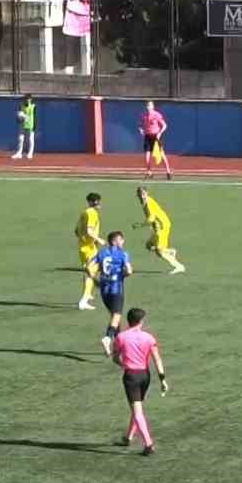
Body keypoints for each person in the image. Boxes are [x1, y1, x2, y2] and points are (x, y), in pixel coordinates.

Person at [110, 307, 168, 455]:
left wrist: (124, 364)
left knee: (137, 410)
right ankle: (128, 438)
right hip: (145, 376)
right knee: (136, 408)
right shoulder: (149, 338)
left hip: (131, 377)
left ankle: (148, 444)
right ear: (141, 321)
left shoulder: (121, 337)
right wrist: (162, 379)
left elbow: (115, 358)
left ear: (128, 321)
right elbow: (157, 359)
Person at [88, 231, 132, 356]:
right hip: (116, 289)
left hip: (104, 290)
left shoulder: (101, 253)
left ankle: (119, 348)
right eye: (121, 240)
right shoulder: (123, 254)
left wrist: (95, 280)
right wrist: (122, 275)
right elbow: (129, 271)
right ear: (115, 241)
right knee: (117, 316)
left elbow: (88, 266)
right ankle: (107, 338)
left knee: (114, 318)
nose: (123, 242)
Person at [135, 186, 185, 274]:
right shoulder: (144, 201)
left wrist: (139, 225)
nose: (141, 196)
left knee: (160, 252)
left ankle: (179, 266)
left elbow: (151, 218)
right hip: (156, 226)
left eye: (143, 194)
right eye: (139, 194)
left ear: (147, 193)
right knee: (149, 246)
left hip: (162, 226)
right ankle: (170, 251)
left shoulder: (148, 204)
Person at [74, 193, 106, 310]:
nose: (99, 204)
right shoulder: (92, 213)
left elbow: (76, 231)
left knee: (89, 271)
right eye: (98, 201)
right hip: (89, 248)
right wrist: (99, 240)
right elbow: (89, 230)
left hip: (83, 247)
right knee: (90, 273)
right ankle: (83, 300)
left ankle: (88, 293)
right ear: (94, 202)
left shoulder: (84, 212)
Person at [140, 100, 172, 181]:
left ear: (152, 107)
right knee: (147, 157)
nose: (148, 107)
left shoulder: (156, 114)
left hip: (156, 137)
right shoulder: (144, 115)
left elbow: (165, 125)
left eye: (149, 105)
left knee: (162, 155)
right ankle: (149, 173)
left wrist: (160, 133)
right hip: (147, 137)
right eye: (147, 105)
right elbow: (140, 125)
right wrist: (141, 130)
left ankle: (168, 172)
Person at [12, 94, 36, 160]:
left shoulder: (33, 106)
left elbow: (35, 117)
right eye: (26, 99)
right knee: (20, 139)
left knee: (30, 139)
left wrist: (34, 126)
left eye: (28, 99)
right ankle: (19, 153)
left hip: (30, 125)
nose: (27, 100)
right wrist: (19, 118)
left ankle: (30, 153)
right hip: (22, 125)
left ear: (31, 100)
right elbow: (18, 116)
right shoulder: (21, 106)